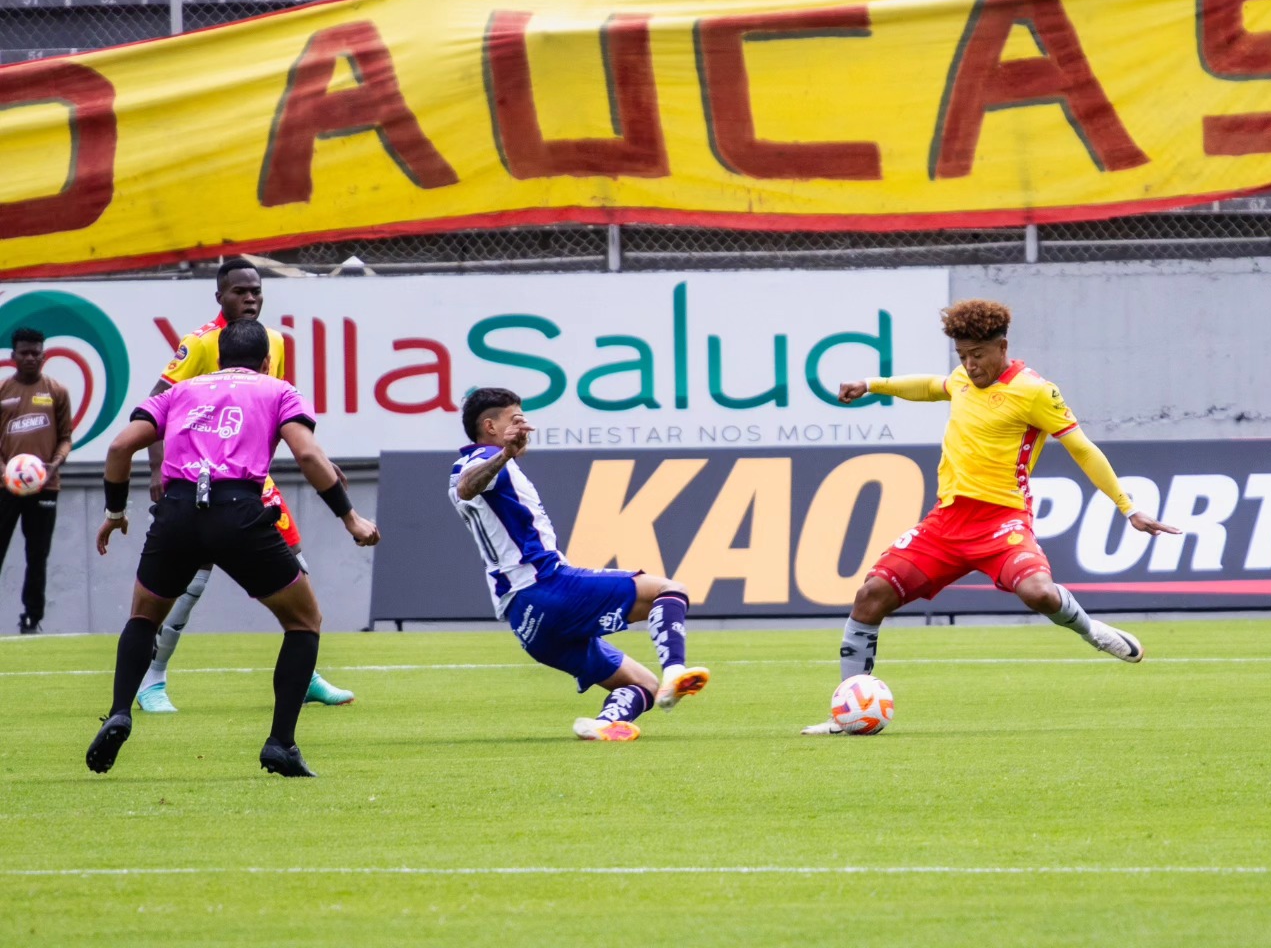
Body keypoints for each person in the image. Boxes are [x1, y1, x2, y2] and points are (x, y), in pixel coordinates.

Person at [802, 299, 1180, 734]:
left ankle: (1090, 631)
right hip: (945, 523)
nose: (969, 364)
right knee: (871, 595)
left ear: (1002, 346)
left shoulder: (1035, 391)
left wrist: (1128, 507)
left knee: (1039, 592)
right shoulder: (963, 378)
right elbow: (931, 386)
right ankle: (850, 712)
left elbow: (1082, 448)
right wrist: (872, 384)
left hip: (1002, 522)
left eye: (977, 355)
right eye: (962, 356)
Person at [85, 320, 380, 777]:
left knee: (143, 617)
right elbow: (307, 455)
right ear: (266, 360)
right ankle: (281, 743)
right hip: (238, 510)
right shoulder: (279, 390)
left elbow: (121, 446)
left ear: (218, 358)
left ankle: (121, 711)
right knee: (304, 621)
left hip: (178, 512)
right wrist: (350, 517)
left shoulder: (182, 390)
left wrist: (116, 512)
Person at [134, 258, 355, 712]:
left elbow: (280, 411)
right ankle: (152, 679)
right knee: (191, 582)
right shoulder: (198, 344)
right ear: (220, 296)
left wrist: (324, 461)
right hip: (198, 480)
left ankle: (306, 671)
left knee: (295, 563)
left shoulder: (272, 342)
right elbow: (155, 405)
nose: (250, 298)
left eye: (256, 291)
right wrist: (158, 471)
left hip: (251, 478)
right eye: (240, 292)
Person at [450, 388, 710, 742]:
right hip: (546, 587)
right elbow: (468, 487)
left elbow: (466, 486)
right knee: (669, 591)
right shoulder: (482, 460)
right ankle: (675, 672)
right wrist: (505, 454)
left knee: (641, 685)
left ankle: (602, 724)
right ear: (490, 426)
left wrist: (509, 452)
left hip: (526, 623)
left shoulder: (482, 465)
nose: (523, 427)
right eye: (515, 421)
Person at [0, 328, 73, 634]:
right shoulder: (3, 391)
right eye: (24, 352)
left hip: (45, 487)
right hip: (5, 488)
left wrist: (53, 466)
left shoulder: (57, 391)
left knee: (37, 554)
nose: (30, 357)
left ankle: (32, 618)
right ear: (13, 356)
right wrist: (4, 470)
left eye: (36, 353)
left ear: (44, 356)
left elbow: (66, 438)